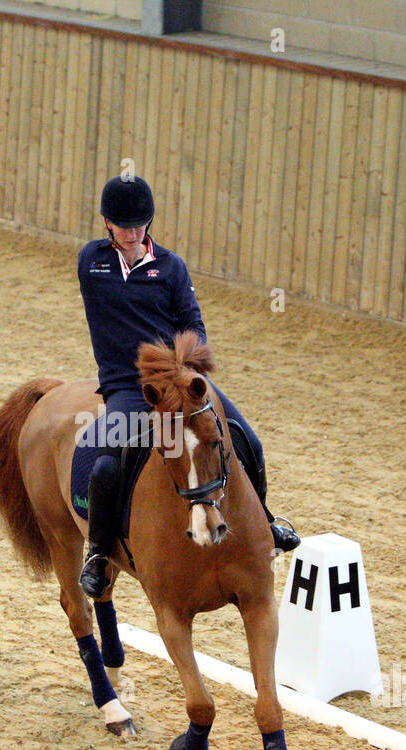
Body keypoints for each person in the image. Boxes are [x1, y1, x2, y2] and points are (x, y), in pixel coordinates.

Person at [76, 174, 299, 598]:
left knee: (247, 440)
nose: (132, 234)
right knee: (106, 465)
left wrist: (185, 366)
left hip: (178, 380)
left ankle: (267, 520)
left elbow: (194, 325)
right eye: (124, 226)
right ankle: (99, 552)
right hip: (128, 387)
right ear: (107, 223)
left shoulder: (171, 267)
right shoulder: (92, 262)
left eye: (139, 225)